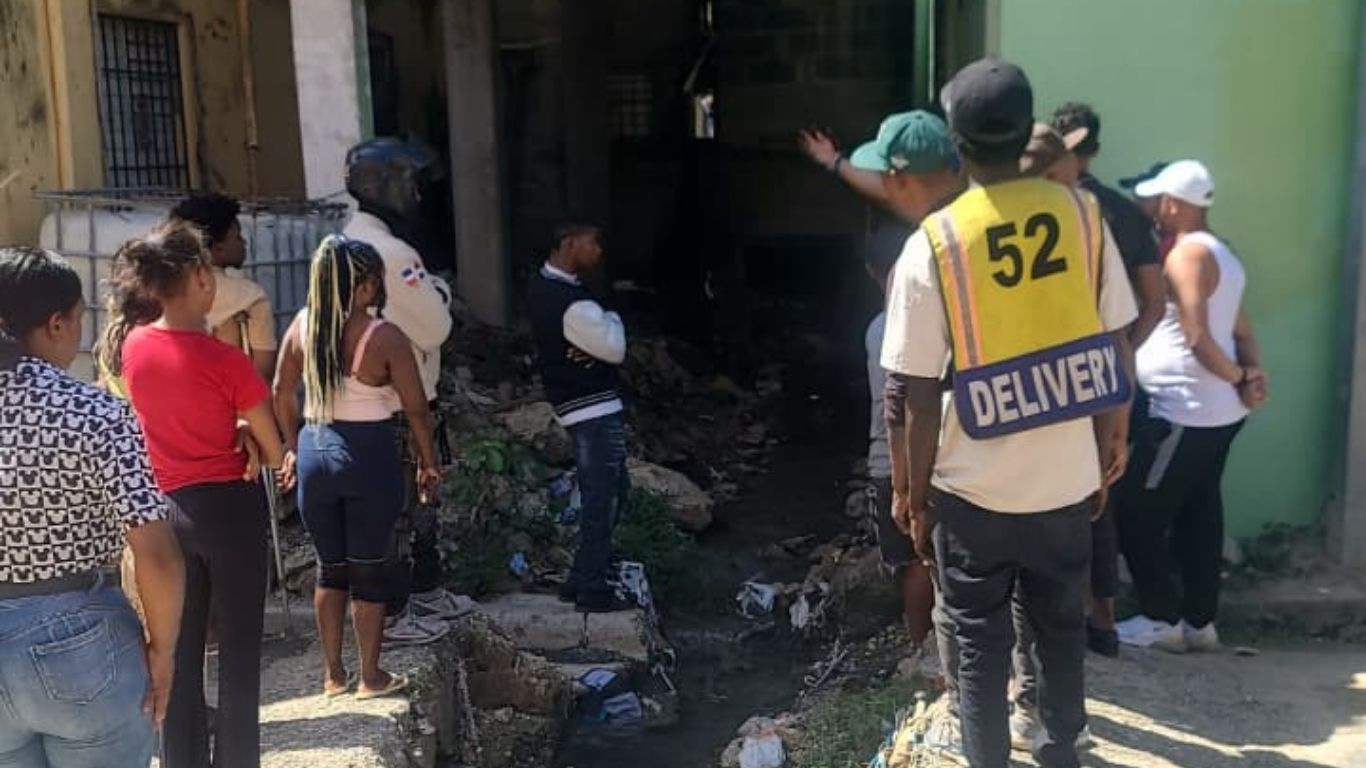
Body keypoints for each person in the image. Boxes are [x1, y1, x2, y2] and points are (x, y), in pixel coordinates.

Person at [882, 58, 1137, 768]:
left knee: (977, 644)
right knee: (1058, 630)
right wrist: (1111, 439)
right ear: (1027, 129)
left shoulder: (933, 243)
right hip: (1063, 479)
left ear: (957, 144)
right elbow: (1112, 334)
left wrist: (911, 492)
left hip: (971, 489)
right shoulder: (1085, 216)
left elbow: (916, 390)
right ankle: (1060, 755)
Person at [110, 221, 287, 768]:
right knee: (239, 656)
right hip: (230, 508)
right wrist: (243, 436)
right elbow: (275, 451)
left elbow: (165, 419)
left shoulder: (134, 347)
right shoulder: (226, 361)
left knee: (180, 655)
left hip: (164, 511)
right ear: (200, 279)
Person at [0, 247, 185, 768]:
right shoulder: (95, 411)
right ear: (56, 323)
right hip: (81, 643)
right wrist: (163, 649)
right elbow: (157, 552)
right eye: (80, 319)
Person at [274, 235, 442, 699]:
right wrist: (428, 462)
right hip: (366, 453)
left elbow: (280, 392)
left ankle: (333, 675)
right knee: (370, 569)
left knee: (331, 569)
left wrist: (292, 447)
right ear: (365, 287)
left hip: (313, 448)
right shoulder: (383, 335)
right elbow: (416, 409)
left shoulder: (302, 327)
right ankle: (371, 676)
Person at [1115, 160, 1267, 652]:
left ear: (1175, 204)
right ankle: (1200, 622)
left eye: (1157, 202)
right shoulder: (1225, 254)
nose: (1153, 211)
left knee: (1133, 512)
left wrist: (1241, 376)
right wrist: (1250, 375)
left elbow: (1199, 337)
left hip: (1183, 412)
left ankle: (1161, 618)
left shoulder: (1187, 256)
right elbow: (1241, 330)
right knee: (1199, 514)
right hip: (1216, 413)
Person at [842, 111, 961, 675]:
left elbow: (903, 401)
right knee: (944, 564)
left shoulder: (884, 323)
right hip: (966, 452)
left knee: (919, 563)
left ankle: (925, 656)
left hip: (909, 460)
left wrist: (907, 490)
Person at [344, 138, 461, 646]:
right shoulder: (392, 253)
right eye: (411, 186)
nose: (418, 196)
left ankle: (419, 593)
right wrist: (439, 291)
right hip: (401, 399)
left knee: (401, 504)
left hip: (368, 400)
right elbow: (435, 326)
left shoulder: (344, 240)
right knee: (405, 504)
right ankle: (396, 611)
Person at [528, 224, 630, 613]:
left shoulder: (544, 289)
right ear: (570, 242)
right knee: (604, 495)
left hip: (578, 406)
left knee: (608, 491)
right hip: (594, 409)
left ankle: (581, 576)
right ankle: (591, 586)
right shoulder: (573, 302)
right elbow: (615, 347)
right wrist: (614, 320)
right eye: (594, 241)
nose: (599, 250)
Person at [1050, 103, 1164, 348]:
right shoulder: (1128, 214)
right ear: (1096, 150)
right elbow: (1155, 304)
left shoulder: (1036, 211)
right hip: (1106, 352)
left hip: (1051, 353)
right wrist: (1124, 355)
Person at [169, 193, 278, 382]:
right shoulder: (250, 297)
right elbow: (263, 371)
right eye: (237, 237)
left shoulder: (161, 289)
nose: (243, 243)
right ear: (218, 247)